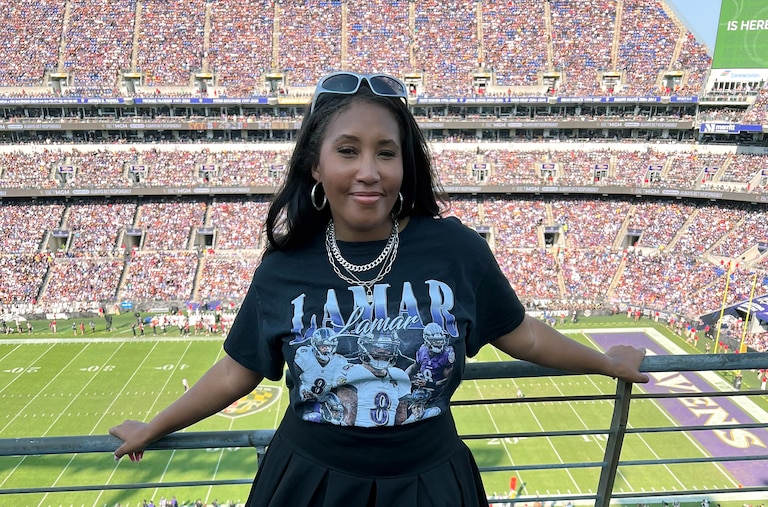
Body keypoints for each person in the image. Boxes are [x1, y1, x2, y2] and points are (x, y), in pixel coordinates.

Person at [110, 71, 648, 507]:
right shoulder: (284, 266)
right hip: (310, 483)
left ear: (405, 164)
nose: (369, 171)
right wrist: (155, 427)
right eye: (348, 150)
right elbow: (237, 369)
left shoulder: (453, 247)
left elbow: (521, 334)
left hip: (430, 483)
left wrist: (607, 363)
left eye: (386, 153)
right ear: (315, 166)